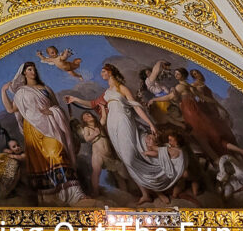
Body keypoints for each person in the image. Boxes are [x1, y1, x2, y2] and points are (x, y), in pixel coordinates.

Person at [66, 63, 182, 205]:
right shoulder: (106, 93)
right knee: (127, 161)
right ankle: (145, 194)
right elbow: (91, 104)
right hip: (112, 126)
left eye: (103, 71)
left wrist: (150, 124)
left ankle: (157, 190)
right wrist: (75, 99)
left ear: (110, 72)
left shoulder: (122, 88)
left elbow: (137, 108)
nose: (102, 74)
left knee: (131, 157)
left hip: (125, 123)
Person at [0, 62, 83, 203]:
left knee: (57, 152)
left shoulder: (45, 88)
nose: (33, 72)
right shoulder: (21, 92)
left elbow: (56, 106)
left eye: (34, 69)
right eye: (29, 69)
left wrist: (53, 111)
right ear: (24, 73)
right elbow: (11, 109)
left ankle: (72, 193)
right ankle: (51, 196)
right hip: (32, 128)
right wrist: (3, 91)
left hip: (50, 125)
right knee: (41, 161)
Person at [78, 110, 128, 197]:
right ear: (84, 120)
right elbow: (86, 139)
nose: (88, 116)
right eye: (85, 116)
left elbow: (104, 118)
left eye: (88, 114)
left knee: (118, 175)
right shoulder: (87, 128)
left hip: (109, 155)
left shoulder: (99, 125)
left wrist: (101, 107)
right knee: (96, 172)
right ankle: (96, 193)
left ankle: (125, 193)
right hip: (98, 154)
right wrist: (94, 134)